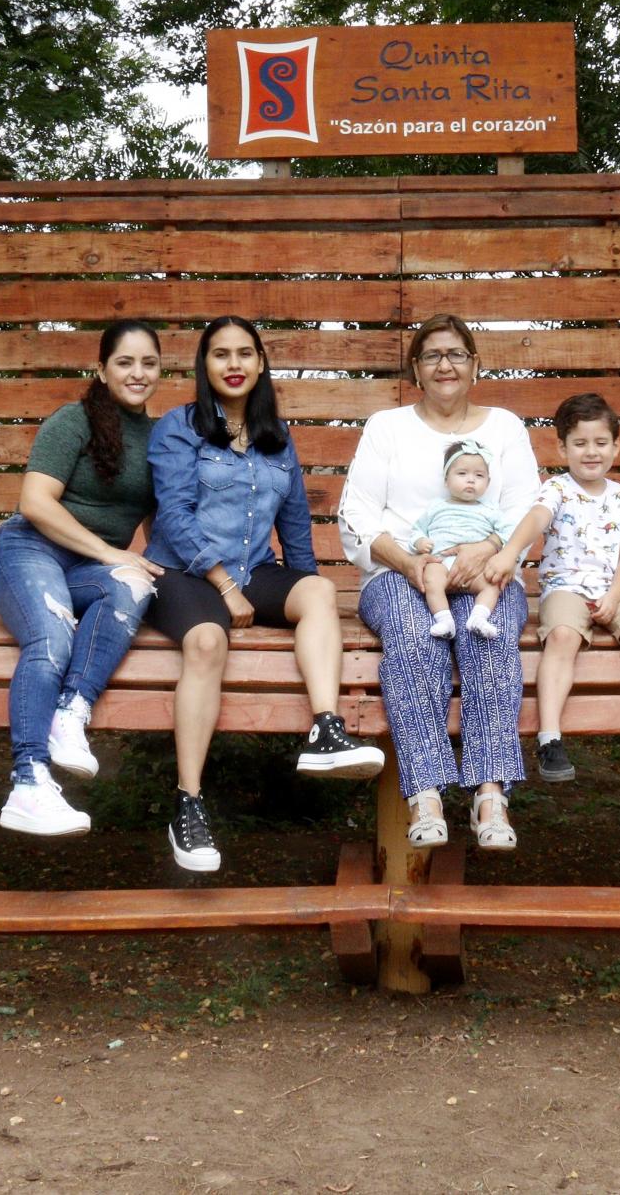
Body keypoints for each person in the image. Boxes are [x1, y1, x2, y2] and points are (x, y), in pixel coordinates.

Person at [146, 316, 384, 874]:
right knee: (207, 641)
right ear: (204, 365)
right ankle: (189, 803)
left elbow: (296, 524)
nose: (234, 365)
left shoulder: (276, 436)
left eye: (245, 354)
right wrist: (224, 585)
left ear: (260, 364)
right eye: (221, 354)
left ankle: (326, 731)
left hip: (256, 570)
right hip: (184, 573)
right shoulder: (179, 428)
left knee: (319, 590)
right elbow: (175, 518)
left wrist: (309, 597)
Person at [338, 314, 540, 852]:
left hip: (487, 572)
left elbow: (527, 511)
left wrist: (490, 551)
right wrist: (408, 564)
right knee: (412, 636)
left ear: (476, 364)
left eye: (456, 354)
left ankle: (490, 795)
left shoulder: (505, 427)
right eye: (432, 356)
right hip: (402, 571)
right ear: (416, 371)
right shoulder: (387, 427)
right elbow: (357, 514)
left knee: (489, 637)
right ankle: (425, 795)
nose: (445, 365)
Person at [0, 320, 165, 837]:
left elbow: (160, 528)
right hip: (27, 551)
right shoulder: (74, 421)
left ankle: (71, 711)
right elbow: (35, 504)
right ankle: (28, 781)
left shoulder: (159, 439)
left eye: (148, 363)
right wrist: (113, 552)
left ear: (160, 370)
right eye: (124, 362)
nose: (137, 373)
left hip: (87, 570)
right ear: (101, 369)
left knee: (135, 586)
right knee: (51, 635)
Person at [489, 392, 620, 784]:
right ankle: (550, 737)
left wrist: (613, 598)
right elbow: (536, 520)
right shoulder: (556, 489)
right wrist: (509, 552)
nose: (592, 452)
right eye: (580, 443)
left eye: (601, 442)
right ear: (562, 447)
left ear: (616, 446)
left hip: (617, 588)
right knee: (561, 636)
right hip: (565, 588)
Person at [398, 439, 513, 639]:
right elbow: (416, 531)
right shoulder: (436, 507)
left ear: (488, 482)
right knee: (430, 578)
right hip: (441, 563)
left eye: (479, 475)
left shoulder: (491, 510)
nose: (471, 480)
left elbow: (509, 533)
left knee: (494, 584)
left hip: (477, 569)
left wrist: (496, 550)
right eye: (462, 474)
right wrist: (420, 542)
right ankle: (444, 620)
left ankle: (479, 617)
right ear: (446, 480)